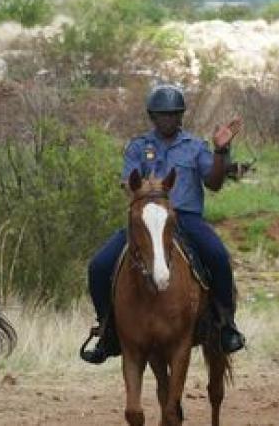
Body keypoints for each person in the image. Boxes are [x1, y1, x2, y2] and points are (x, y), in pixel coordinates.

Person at [80, 84, 246, 365]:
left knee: (218, 256)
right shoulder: (138, 147)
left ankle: (226, 325)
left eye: (173, 114)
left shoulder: (194, 147)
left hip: (186, 219)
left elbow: (214, 183)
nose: (167, 119)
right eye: (161, 115)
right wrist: (143, 196)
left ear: (181, 116)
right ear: (152, 117)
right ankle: (107, 331)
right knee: (98, 266)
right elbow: (127, 183)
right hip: (146, 221)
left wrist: (221, 151)